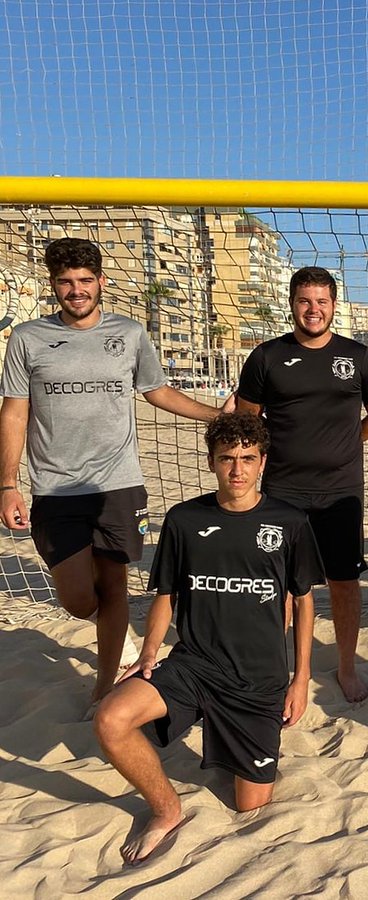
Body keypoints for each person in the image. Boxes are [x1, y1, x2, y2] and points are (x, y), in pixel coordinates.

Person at [0, 237, 222, 708]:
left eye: (85, 280)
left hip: (119, 483)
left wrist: (213, 416)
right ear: (53, 286)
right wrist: (7, 484)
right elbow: (14, 412)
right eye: (65, 282)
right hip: (56, 488)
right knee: (78, 599)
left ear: (102, 281)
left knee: (116, 584)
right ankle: (111, 636)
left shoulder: (131, 333)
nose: (76, 290)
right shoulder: (28, 339)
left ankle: (105, 684)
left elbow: (157, 391)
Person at [93, 412, 324, 865]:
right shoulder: (184, 519)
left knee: (249, 805)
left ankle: (226, 733)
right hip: (195, 664)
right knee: (110, 720)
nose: (237, 470)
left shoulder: (289, 522)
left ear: (263, 463)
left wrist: (301, 680)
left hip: (258, 680)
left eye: (247, 458)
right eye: (226, 459)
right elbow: (166, 594)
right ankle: (166, 809)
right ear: (211, 462)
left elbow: (303, 602)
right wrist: (148, 652)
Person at [236, 266, 368, 702]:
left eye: (321, 301)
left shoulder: (358, 357)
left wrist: (343, 444)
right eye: (305, 301)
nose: (313, 310)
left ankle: (345, 666)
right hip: (282, 488)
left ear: (334, 306)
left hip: (340, 492)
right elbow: (247, 419)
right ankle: (277, 667)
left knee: (343, 582)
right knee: (281, 583)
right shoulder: (266, 356)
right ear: (291, 304)